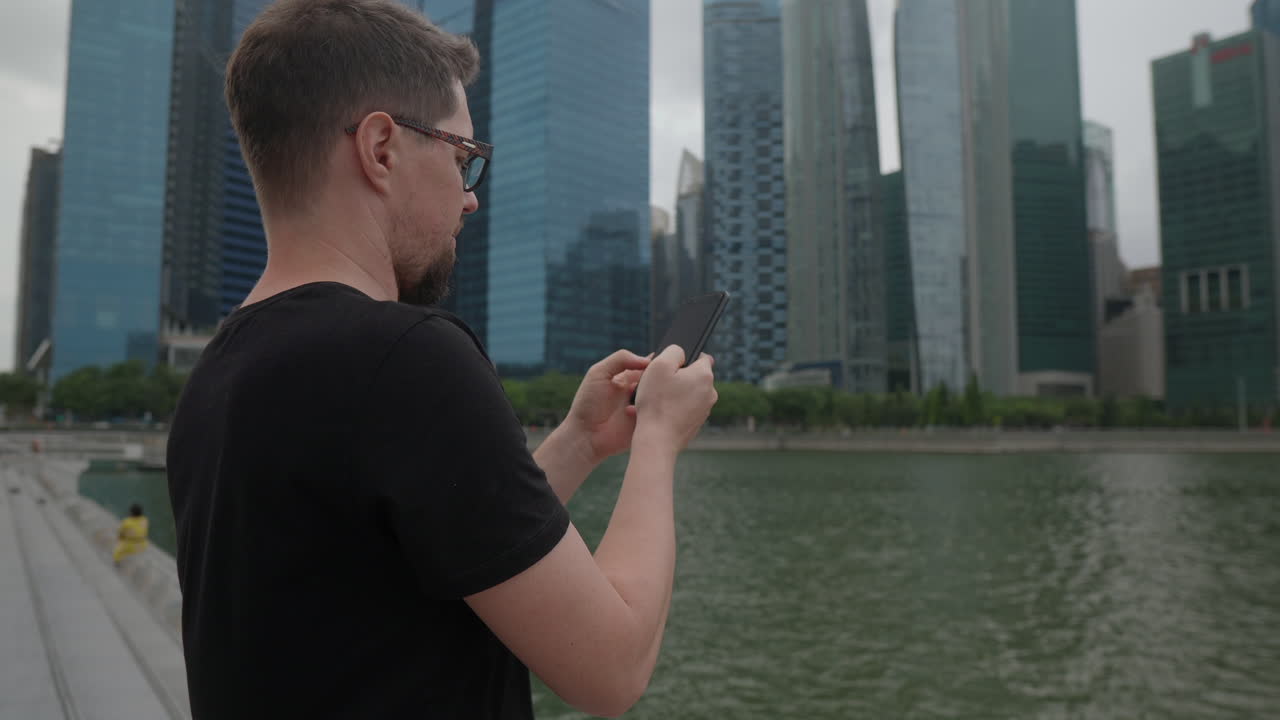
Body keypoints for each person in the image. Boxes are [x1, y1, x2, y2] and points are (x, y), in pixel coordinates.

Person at [165, 1, 717, 718]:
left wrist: (579, 443)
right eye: (462, 158)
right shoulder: (406, 358)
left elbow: (425, 556)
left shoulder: (219, 375)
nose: (469, 199)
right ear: (382, 148)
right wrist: (659, 442)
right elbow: (612, 669)